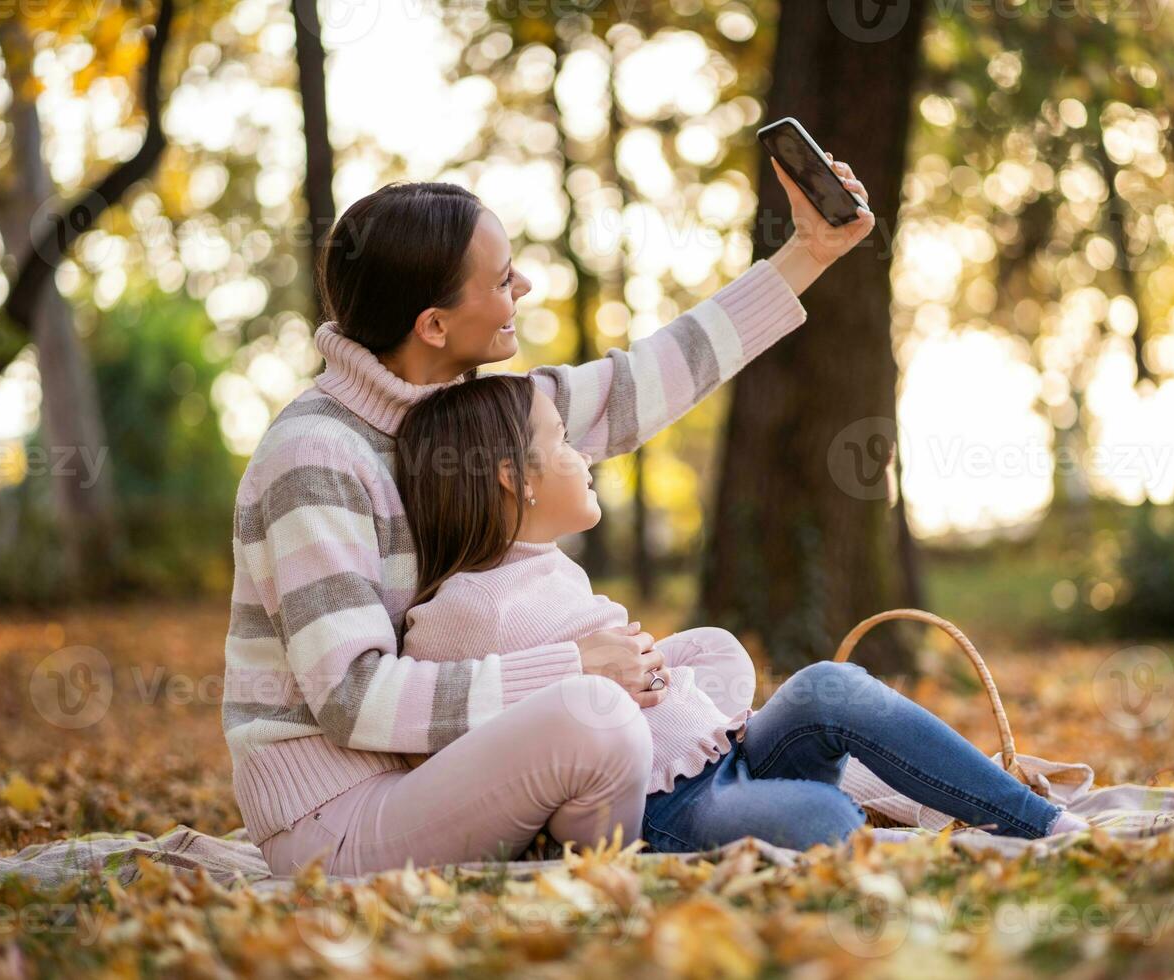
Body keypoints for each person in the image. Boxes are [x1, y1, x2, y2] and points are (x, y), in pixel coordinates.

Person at [225, 153, 878, 875]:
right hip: (341, 815)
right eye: (504, 279)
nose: (525, 287)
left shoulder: (475, 417)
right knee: (594, 720)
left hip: (445, 767)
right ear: (435, 325)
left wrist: (808, 252)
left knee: (702, 658)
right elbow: (353, 698)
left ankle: (810, 798)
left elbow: (649, 378)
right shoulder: (316, 458)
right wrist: (574, 669)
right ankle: (672, 838)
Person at [388, 374, 1086, 854]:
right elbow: (449, 752)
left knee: (829, 685)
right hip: (671, 810)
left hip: (733, 751)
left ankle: (1042, 823)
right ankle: (863, 828)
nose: (583, 455)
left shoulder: (547, 563)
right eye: (564, 441)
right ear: (514, 475)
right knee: (826, 817)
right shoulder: (460, 610)